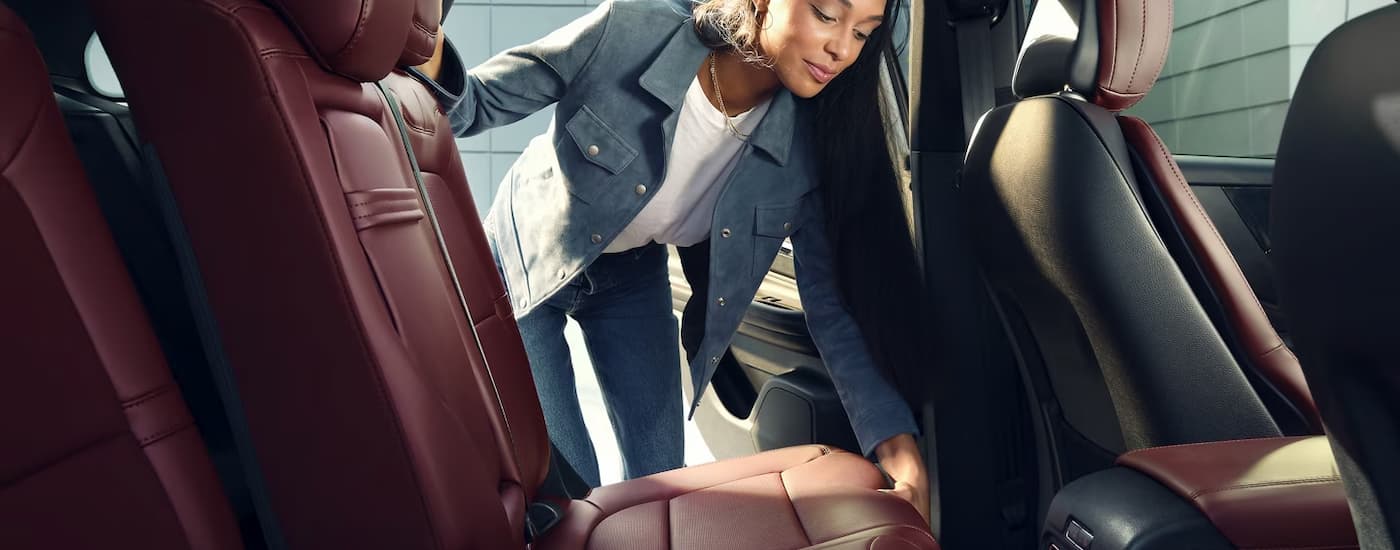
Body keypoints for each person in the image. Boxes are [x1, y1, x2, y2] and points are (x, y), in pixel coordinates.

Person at [410, 0, 930, 519]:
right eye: (826, 14)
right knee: (566, 498)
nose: (841, 49)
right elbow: (472, 105)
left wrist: (898, 449)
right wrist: (415, 25)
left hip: (632, 273)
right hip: (526, 259)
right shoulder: (631, 29)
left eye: (863, 34)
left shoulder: (809, 149)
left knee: (662, 487)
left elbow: (831, 310)